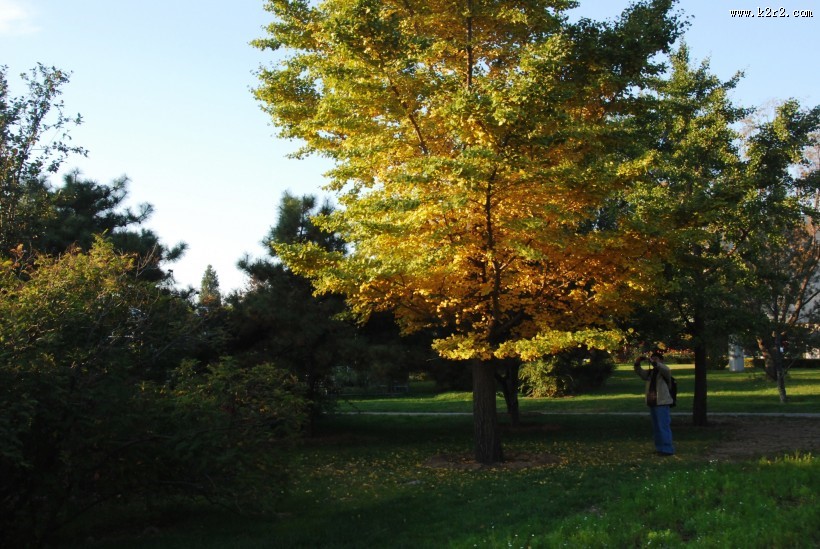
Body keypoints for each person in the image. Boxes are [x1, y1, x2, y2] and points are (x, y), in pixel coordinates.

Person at [634, 351, 675, 456]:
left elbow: (664, 369)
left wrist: (655, 363)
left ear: (661, 360)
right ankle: (660, 448)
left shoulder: (664, 371)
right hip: (653, 401)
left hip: (662, 402)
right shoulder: (651, 373)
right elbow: (640, 372)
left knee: (663, 426)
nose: (653, 360)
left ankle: (667, 449)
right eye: (652, 358)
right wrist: (637, 363)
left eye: (656, 358)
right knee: (656, 427)